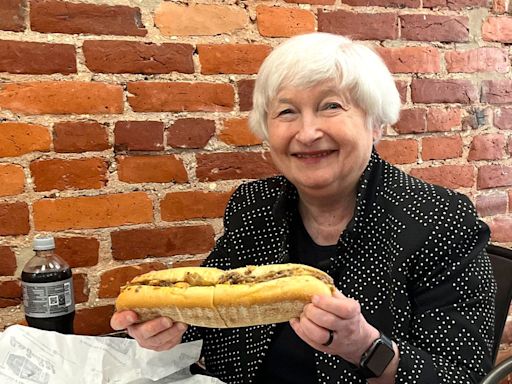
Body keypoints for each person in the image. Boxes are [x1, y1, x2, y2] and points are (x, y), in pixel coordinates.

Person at [111, 32, 496, 384]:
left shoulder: (441, 220)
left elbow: (460, 376)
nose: (307, 133)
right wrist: (166, 326)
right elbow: (214, 312)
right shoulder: (255, 206)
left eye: (330, 106)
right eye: (287, 112)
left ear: (375, 122)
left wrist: (364, 347)